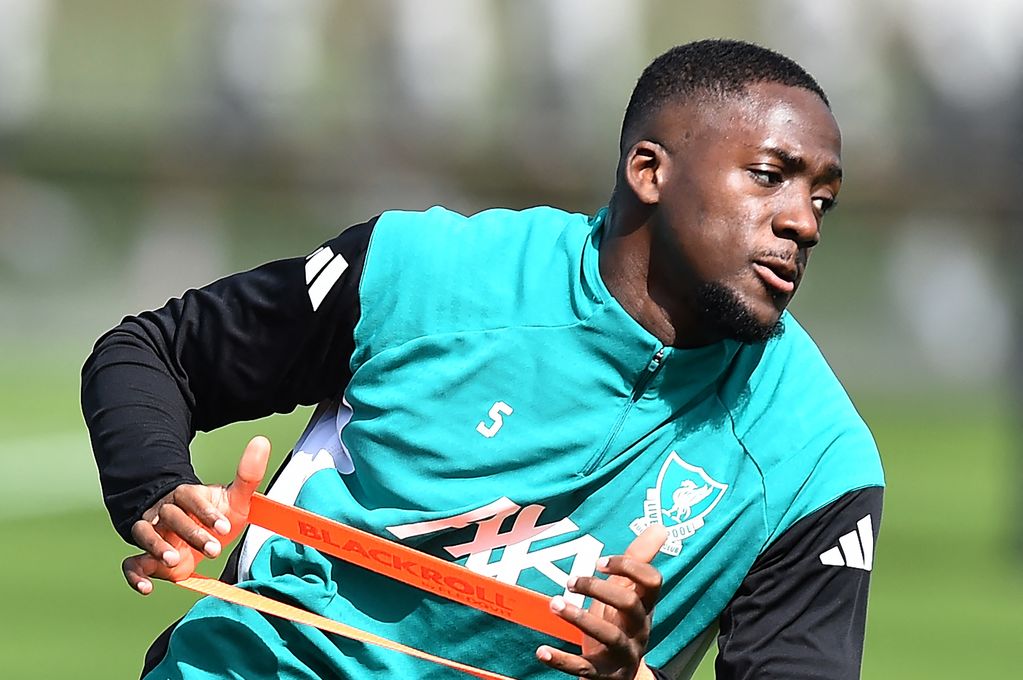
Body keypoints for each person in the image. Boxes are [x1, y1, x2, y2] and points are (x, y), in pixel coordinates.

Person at [82, 39, 884, 680]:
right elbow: (151, 353)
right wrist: (158, 492)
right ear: (650, 171)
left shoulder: (816, 460)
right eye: (769, 177)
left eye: (821, 199)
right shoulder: (425, 272)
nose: (802, 224)